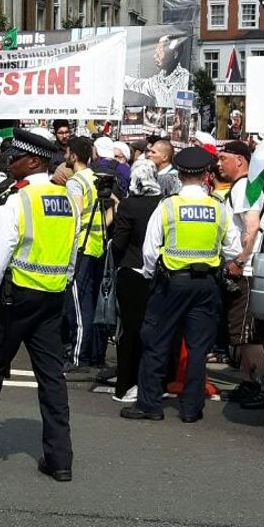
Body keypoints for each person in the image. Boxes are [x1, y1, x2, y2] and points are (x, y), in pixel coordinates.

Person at [0, 127, 78, 483]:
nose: (10, 162)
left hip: (13, 301)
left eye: (17, 157)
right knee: (52, 381)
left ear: (35, 161)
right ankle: (60, 461)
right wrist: (61, 284)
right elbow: (72, 255)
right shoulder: (67, 201)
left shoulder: (17, 202)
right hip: (51, 299)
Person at [121, 145, 242, 425]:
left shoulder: (169, 206)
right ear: (204, 175)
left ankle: (150, 404)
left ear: (179, 175)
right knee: (199, 348)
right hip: (207, 285)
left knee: (156, 342)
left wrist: (152, 276)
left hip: (172, 283)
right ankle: (191, 408)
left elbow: (150, 250)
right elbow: (234, 248)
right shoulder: (217, 208)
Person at [216, 139, 264, 410]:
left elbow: (250, 228)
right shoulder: (245, 187)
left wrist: (239, 261)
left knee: (247, 333)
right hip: (242, 268)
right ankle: (248, 383)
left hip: (246, 271)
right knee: (239, 331)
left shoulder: (244, 188)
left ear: (240, 160)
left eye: (222, 158)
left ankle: (261, 385)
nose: (218, 164)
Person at [109, 155, 162, 404]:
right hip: (158, 273)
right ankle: (151, 382)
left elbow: (119, 242)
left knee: (128, 331)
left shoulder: (129, 206)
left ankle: (125, 384)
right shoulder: (162, 204)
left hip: (131, 271)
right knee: (154, 330)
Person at [64, 135, 107, 371]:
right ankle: (94, 353)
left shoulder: (75, 181)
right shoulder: (95, 177)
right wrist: (101, 225)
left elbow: (75, 216)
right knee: (92, 301)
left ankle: (78, 356)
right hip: (97, 244)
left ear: (74, 156)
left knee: (79, 304)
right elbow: (115, 204)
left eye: (67, 152)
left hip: (81, 247)